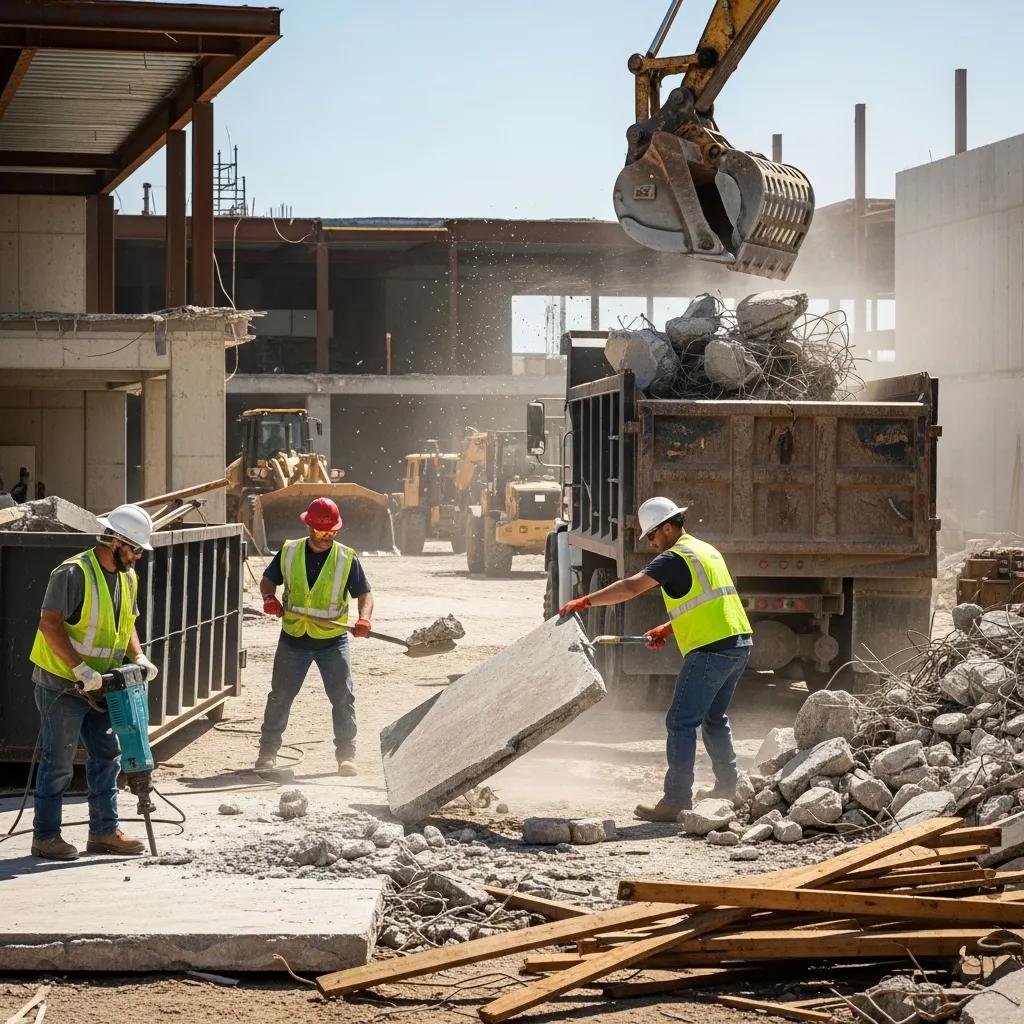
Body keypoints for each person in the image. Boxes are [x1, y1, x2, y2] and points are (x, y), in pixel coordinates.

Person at [559, 496, 752, 822]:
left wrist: (585, 601)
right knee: (714, 718)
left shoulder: (674, 557)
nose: (650, 543)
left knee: (680, 721)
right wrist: (668, 628)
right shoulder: (706, 550)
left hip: (710, 649)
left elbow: (631, 587)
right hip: (738, 644)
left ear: (667, 527)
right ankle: (728, 787)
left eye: (652, 535)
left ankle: (677, 799)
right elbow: (708, 604)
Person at [28, 504, 160, 860]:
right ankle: (45, 836)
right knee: (58, 761)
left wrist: (139, 657)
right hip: (62, 684)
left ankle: (103, 831)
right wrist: (81, 670)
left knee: (107, 756)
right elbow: (50, 625)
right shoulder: (73, 573)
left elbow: (127, 620)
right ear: (115, 540)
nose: (138, 556)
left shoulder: (127, 575)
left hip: (103, 685)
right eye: (134, 548)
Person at [257, 496, 374, 776]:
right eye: (321, 532)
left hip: (332, 640)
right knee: (280, 697)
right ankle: (268, 752)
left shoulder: (346, 558)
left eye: (331, 532)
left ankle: (346, 756)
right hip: (294, 638)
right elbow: (267, 579)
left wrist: (364, 618)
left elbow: (365, 593)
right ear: (309, 527)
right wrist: (268, 597)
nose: (326, 538)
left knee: (343, 698)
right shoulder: (289, 551)